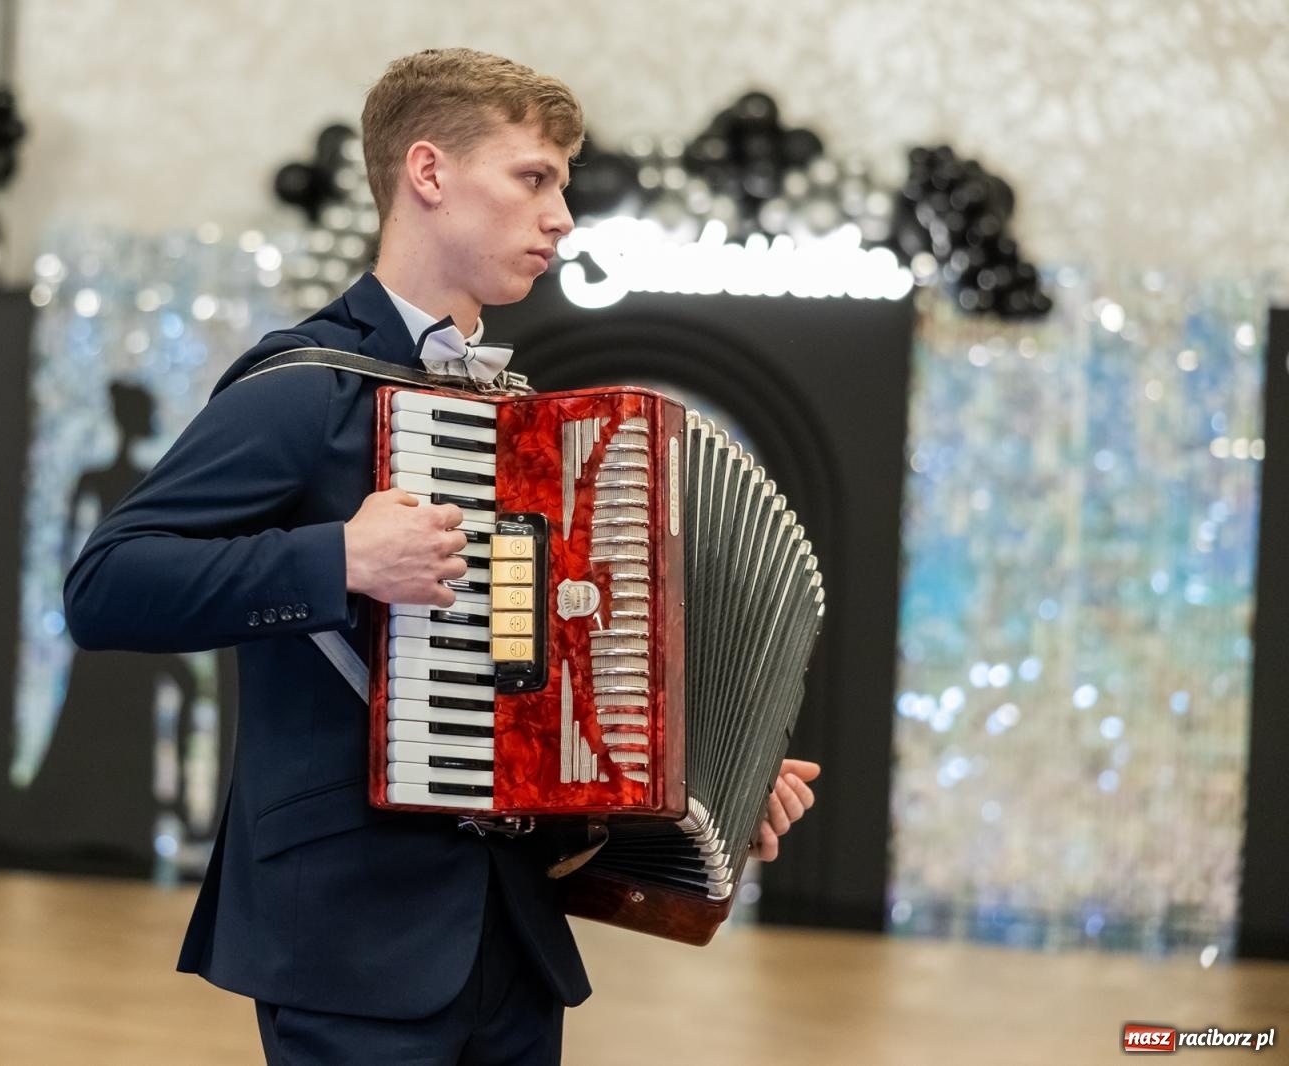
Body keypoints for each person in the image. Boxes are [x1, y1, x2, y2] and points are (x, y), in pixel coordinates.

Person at [63, 47, 821, 1065]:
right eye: (533, 178)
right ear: (428, 173)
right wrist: (338, 558)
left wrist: (707, 787)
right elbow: (105, 585)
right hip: (346, 937)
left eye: (562, 185)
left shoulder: (530, 431)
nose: (560, 215)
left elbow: (554, 690)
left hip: (511, 941)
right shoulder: (304, 388)